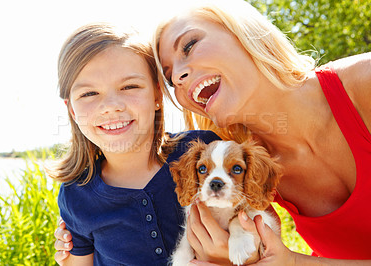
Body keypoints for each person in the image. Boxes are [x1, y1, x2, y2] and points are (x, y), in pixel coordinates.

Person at [55, 0, 371, 264]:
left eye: (190, 45)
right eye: (169, 76)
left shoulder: (363, 85)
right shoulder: (244, 154)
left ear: (242, 30)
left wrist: (293, 262)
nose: (178, 74)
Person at [48, 22, 223, 265]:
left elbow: (259, 231)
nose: (111, 105)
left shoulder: (203, 151)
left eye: (129, 86)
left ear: (157, 95)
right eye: (89, 94)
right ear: (73, 111)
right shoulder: (77, 195)